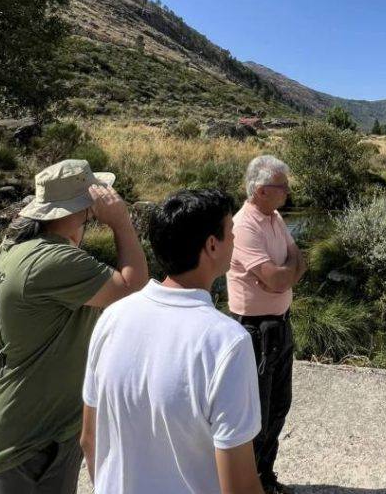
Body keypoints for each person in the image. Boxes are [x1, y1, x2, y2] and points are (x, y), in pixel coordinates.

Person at [0, 159, 148, 494]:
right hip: (26, 442)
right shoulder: (53, 261)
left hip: (36, 429)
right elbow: (133, 287)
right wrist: (121, 223)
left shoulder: (17, 248)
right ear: (79, 209)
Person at [80, 189, 264, 494]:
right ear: (212, 245)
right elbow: (241, 486)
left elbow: (89, 439)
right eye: (231, 231)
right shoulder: (228, 342)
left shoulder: (112, 318)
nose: (235, 239)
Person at [226, 155, 306, 494]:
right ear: (260, 190)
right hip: (255, 330)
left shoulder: (274, 217)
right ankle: (251, 484)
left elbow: (299, 261)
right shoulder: (244, 226)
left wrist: (284, 275)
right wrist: (283, 275)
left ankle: (265, 478)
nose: (287, 191)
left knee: (279, 406)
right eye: (281, 186)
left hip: (280, 325)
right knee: (256, 414)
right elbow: (277, 279)